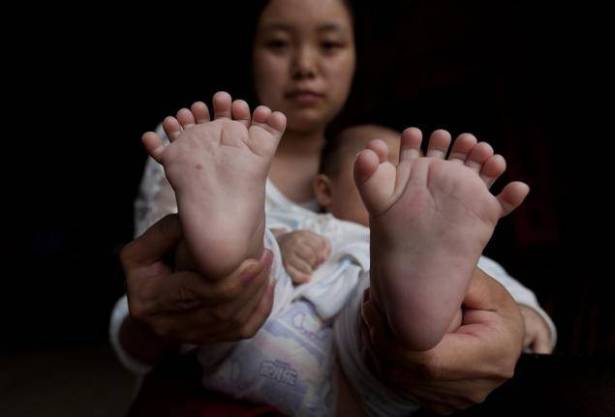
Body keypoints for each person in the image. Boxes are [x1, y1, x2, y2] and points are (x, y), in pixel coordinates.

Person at [110, 0, 552, 414]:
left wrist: (525, 317)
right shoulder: (223, 156)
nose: (305, 66)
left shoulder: (374, 224)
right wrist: (269, 250)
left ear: (358, 55)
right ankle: (231, 248)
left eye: (329, 44)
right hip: (258, 330)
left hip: (357, 354)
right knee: (251, 267)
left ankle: (413, 308)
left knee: (406, 293)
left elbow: (495, 288)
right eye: (278, 43)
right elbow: (147, 314)